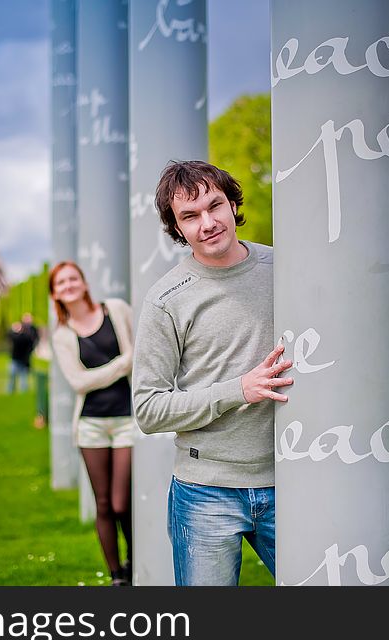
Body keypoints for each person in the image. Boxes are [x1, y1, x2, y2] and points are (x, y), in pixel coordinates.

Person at [132, 160, 294, 586]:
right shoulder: (165, 300)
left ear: (232, 203)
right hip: (206, 492)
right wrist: (239, 389)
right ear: (176, 228)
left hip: (295, 479)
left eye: (214, 206)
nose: (207, 222)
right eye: (190, 215)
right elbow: (148, 410)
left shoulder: (289, 270)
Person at [49, 261, 134, 586]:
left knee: (120, 501)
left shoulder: (115, 309)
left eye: (73, 279)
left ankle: (133, 559)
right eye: (61, 283)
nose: (68, 285)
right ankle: (117, 576)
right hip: (91, 425)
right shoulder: (63, 334)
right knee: (102, 503)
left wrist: (118, 367)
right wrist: (122, 364)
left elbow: (140, 354)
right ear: (55, 293)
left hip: (127, 419)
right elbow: (79, 383)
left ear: (83, 283)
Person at [7, 320, 34, 393]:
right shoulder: (17, 336)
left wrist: (15, 330)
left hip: (22, 361)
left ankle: (22, 392)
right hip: (16, 360)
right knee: (12, 379)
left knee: (23, 380)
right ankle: (11, 391)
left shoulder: (24, 338)